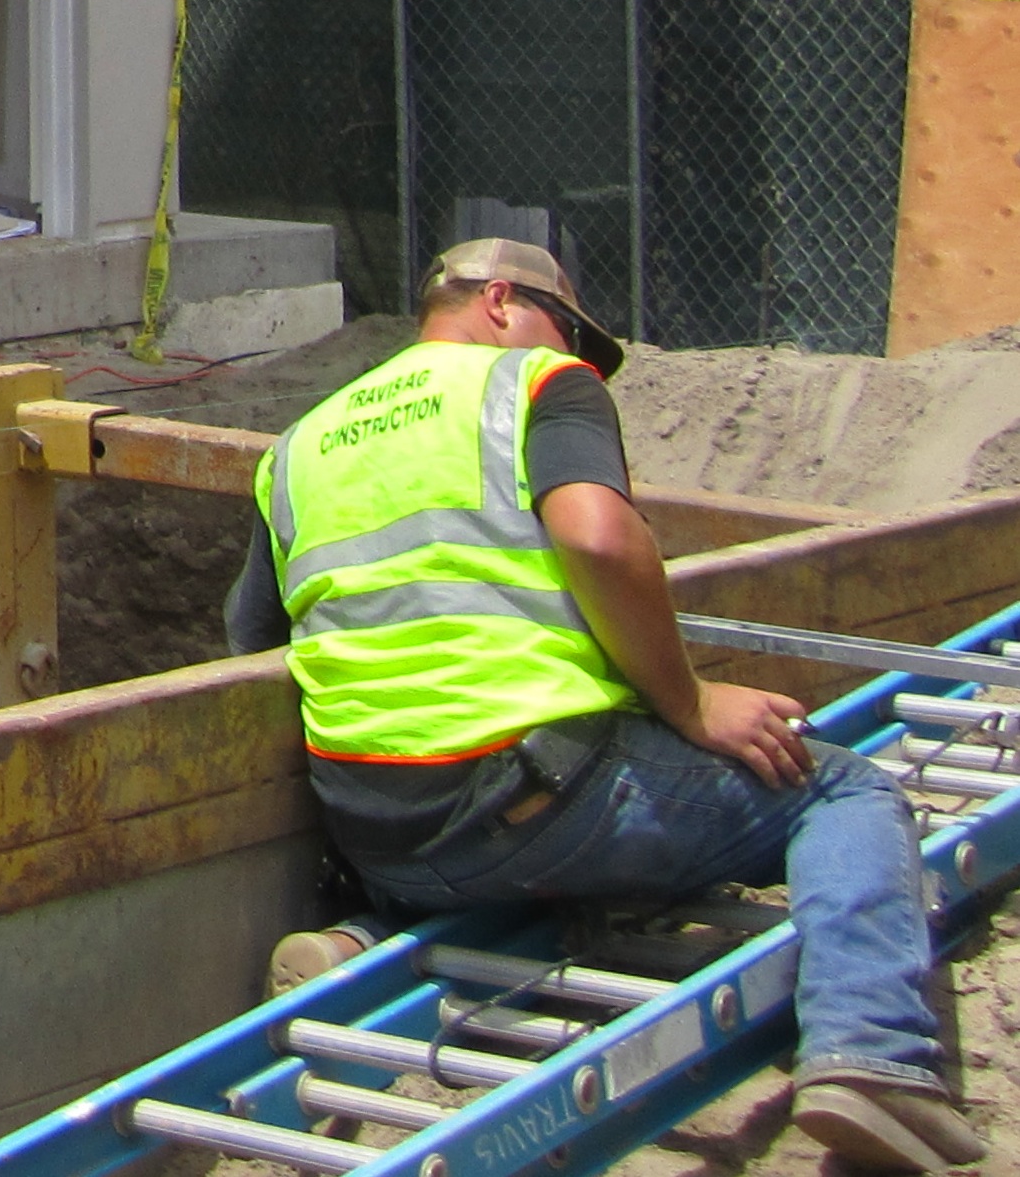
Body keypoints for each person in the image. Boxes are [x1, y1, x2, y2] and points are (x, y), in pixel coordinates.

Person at [230, 239, 983, 1175]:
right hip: (536, 786)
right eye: (574, 330)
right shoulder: (536, 384)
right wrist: (694, 700)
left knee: (550, 869)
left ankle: (358, 942)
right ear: (501, 301)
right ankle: (873, 1053)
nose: (583, 357)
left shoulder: (300, 444)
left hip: (380, 828)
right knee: (843, 791)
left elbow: (251, 635)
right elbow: (596, 537)